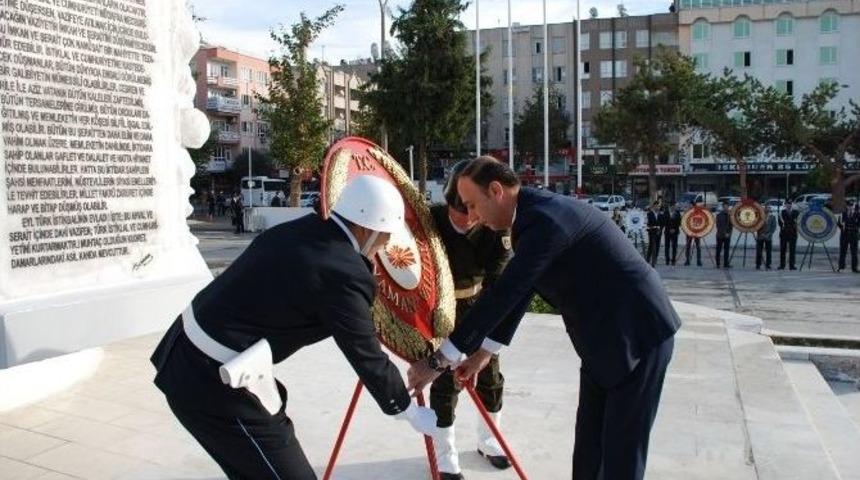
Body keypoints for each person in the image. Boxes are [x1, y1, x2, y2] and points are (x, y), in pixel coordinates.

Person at [407, 157, 680, 480]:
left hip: (636, 333)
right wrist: (483, 353)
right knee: (589, 449)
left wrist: (439, 360)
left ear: (495, 190)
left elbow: (505, 292)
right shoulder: (529, 220)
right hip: (599, 341)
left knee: (621, 451)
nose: (472, 217)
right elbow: (523, 292)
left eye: (473, 205)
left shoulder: (547, 222)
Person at [150, 176, 437, 479]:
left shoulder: (299, 230)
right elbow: (365, 352)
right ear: (367, 228)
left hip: (181, 354)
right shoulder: (344, 271)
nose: (386, 245)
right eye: (385, 236)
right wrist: (407, 409)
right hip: (212, 382)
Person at [430, 161, 513, 480]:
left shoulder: (495, 226)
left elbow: (500, 283)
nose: (466, 220)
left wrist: (487, 335)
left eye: (471, 211)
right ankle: (444, 455)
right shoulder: (431, 218)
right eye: (458, 211)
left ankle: (490, 441)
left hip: (480, 305)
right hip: (439, 308)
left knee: (489, 375)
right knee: (444, 381)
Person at [837, 202, 859, 273]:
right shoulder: (843, 213)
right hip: (844, 235)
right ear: (846, 206)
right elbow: (839, 223)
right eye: (849, 206)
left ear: (853, 207)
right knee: (842, 252)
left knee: (854, 253)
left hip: (853, 235)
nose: (850, 207)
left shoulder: (857, 214)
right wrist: (841, 226)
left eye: (851, 206)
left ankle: (854, 268)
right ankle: (841, 267)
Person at [778, 199, 799, 270]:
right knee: (782, 250)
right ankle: (782, 265)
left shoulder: (796, 212)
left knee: (792, 250)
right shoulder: (782, 212)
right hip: (784, 233)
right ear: (785, 205)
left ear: (791, 204)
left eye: (790, 204)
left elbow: (798, 222)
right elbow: (780, 223)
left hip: (793, 233)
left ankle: (792, 265)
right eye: (787, 204)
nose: (788, 205)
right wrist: (787, 225)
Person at [683, 202, 703, 267]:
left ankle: (699, 260)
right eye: (689, 206)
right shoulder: (686, 213)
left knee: (698, 247)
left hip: (696, 232)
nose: (690, 207)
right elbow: (684, 222)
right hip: (689, 232)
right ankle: (687, 260)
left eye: (691, 206)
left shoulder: (697, 213)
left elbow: (700, 221)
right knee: (688, 246)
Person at [715, 201, 732, 268]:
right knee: (718, 249)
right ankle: (718, 263)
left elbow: (731, 226)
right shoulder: (719, 215)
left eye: (727, 207)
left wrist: (729, 233)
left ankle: (726, 263)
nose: (726, 208)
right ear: (723, 207)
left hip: (727, 236)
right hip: (720, 235)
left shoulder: (730, 216)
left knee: (726, 250)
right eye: (725, 207)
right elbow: (718, 226)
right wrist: (724, 233)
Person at [646, 201, 663, 267]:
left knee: (657, 246)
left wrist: (660, 229)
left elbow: (662, 223)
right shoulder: (650, 214)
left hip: (658, 232)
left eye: (658, 206)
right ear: (654, 206)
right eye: (656, 206)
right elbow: (649, 223)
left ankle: (654, 259)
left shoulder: (660, 214)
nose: (657, 207)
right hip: (652, 232)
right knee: (652, 246)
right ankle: (650, 260)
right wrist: (654, 227)